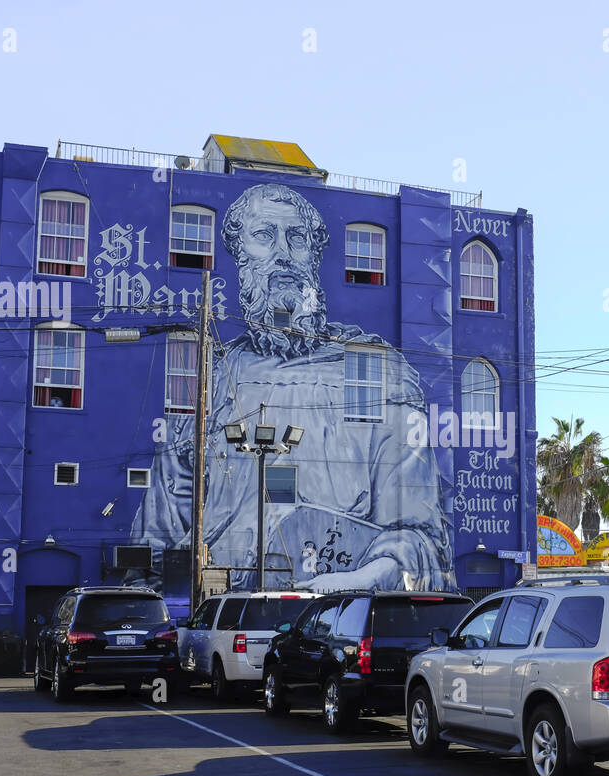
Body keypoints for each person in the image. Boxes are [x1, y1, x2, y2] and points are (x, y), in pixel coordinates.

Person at [131, 182, 453, 592]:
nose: (283, 253)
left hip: (341, 613)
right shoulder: (211, 381)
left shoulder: (370, 369)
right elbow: (157, 547)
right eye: (265, 236)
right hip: (228, 611)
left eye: (296, 238)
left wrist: (354, 582)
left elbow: (418, 534)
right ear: (241, 255)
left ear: (315, 256)